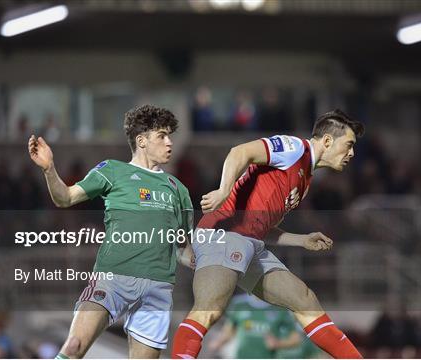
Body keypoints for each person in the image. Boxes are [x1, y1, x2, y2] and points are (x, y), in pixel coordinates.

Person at [172, 109, 364, 359]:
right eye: (349, 145)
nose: (352, 153)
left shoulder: (305, 179)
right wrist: (222, 191)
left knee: (305, 300)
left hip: (251, 243)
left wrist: (301, 240)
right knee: (210, 309)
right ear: (327, 141)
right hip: (225, 232)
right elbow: (240, 152)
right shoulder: (294, 148)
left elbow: (263, 227)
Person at [28, 105, 193, 359]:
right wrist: (49, 168)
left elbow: (183, 248)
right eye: (162, 135)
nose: (169, 142)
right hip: (114, 280)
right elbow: (65, 198)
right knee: (74, 347)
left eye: (169, 135)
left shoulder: (178, 189)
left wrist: (210, 262)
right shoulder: (113, 170)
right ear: (142, 141)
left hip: (158, 290)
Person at [209, 294, 301, 359]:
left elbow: (296, 339)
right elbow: (229, 332)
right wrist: (218, 343)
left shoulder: (280, 308)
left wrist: (278, 343)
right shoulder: (239, 304)